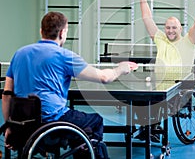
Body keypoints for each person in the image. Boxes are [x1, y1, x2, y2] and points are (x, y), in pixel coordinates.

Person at [2, 11, 135, 158]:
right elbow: (104, 77)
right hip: (53, 120)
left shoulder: (19, 53)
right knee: (96, 121)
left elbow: (7, 94)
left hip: (23, 123)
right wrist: (121, 68)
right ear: (62, 32)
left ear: (41, 31)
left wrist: (10, 125)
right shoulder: (64, 56)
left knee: (77, 122)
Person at [135, 0, 195, 142]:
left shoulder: (188, 41)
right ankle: (149, 128)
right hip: (158, 83)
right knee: (138, 99)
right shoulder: (160, 38)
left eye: (174, 27)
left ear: (180, 29)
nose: (170, 30)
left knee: (156, 102)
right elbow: (147, 17)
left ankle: (151, 127)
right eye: (168, 27)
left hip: (180, 87)